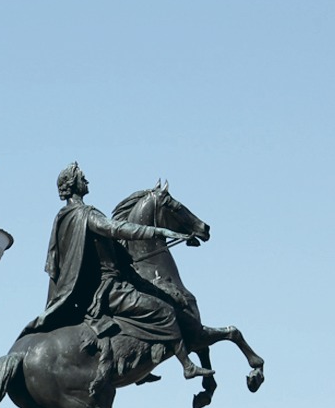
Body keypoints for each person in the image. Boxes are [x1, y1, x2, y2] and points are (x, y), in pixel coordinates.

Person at [19, 162, 212, 381]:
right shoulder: (84, 214)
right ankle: (187, 365)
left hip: (87, 290)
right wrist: (157, 231)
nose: (87, 181)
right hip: (108, 288)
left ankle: (141, 367)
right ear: (74, 184)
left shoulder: (62, 217)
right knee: (164, 311)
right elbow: (115, 229)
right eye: (83, 178)